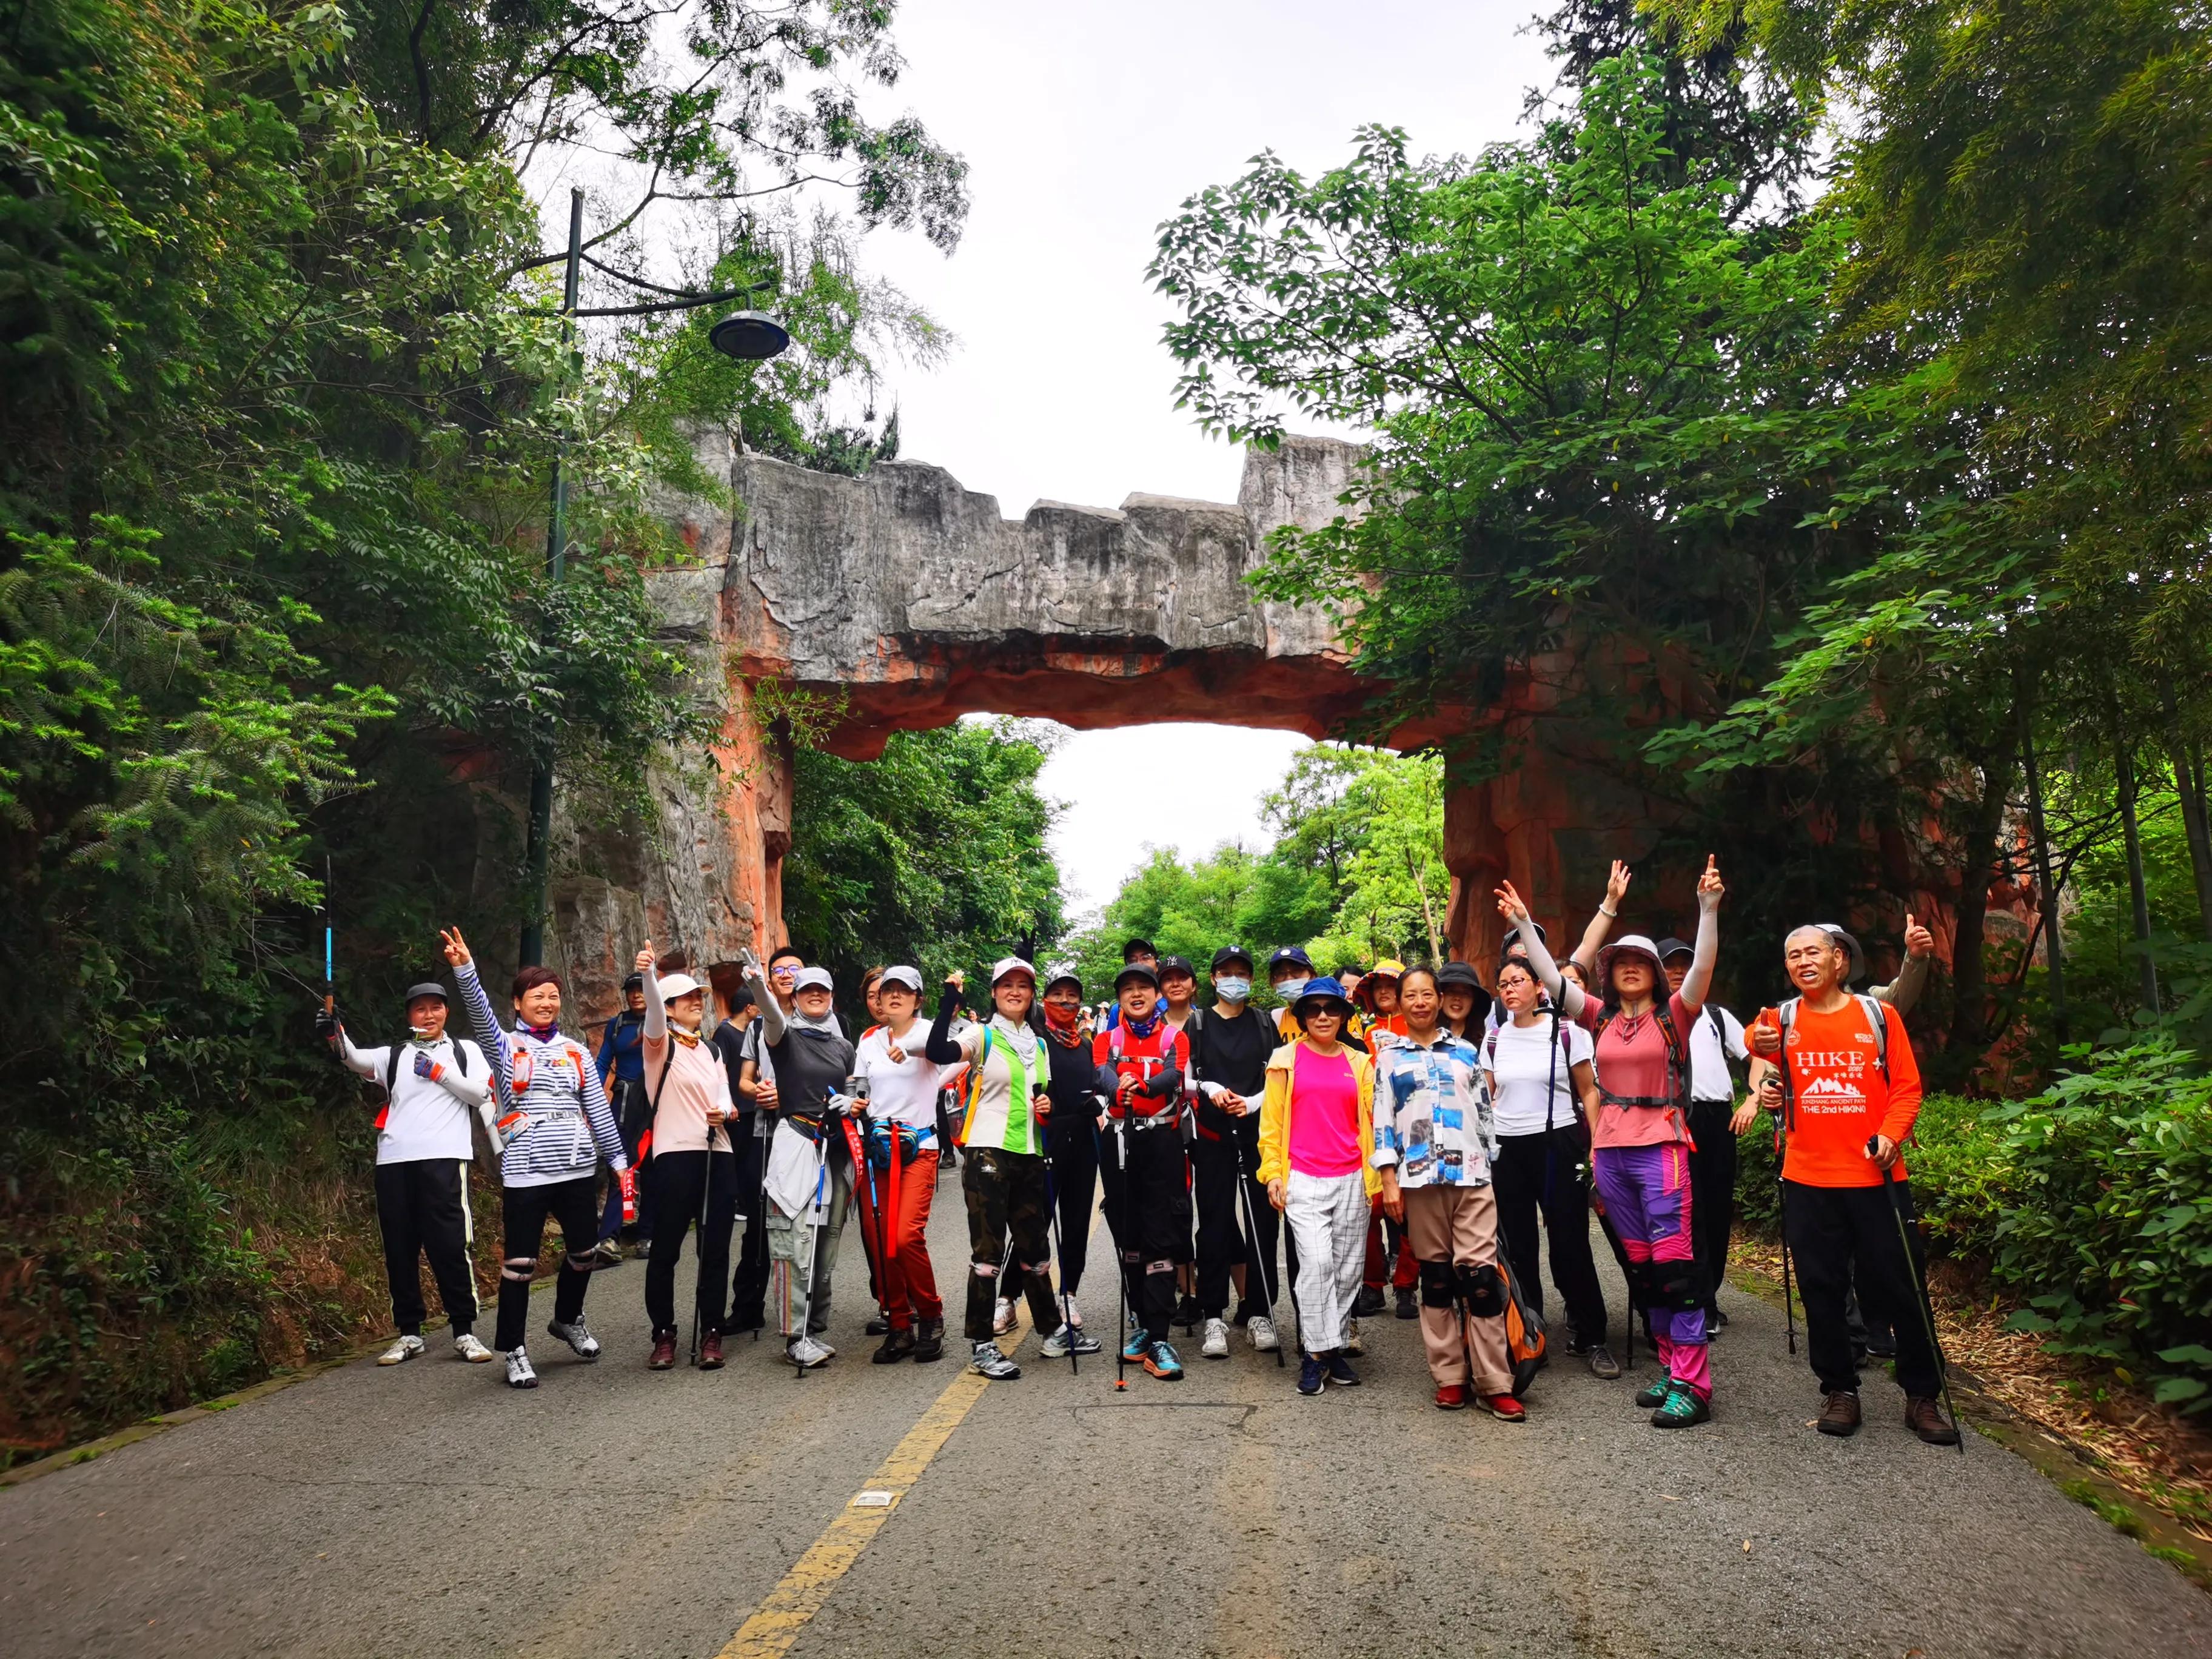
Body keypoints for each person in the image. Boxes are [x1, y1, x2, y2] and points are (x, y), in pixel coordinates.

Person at [1497, 855, 1726, 1429]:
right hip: (1612, 1150)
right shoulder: (1597, 1019)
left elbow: (1701, 968)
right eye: (1620, 961)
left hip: (1664, 1146)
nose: (1629, 968)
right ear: (1609, 972)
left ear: (1653, 971)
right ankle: (1671, 1366)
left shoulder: (1676, 1015)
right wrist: (1526, 925)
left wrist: (1707, 908)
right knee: (1644, 1266)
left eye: (1638, 961)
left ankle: (1694, 1383)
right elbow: (1553, 981)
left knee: (1676, 1265)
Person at [1749, 926, 1960, 1446]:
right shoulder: (1780, 1019)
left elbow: (1907, 1089)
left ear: (1839, 960)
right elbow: (1761, 1056)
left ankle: (1922, 1395)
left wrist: (1892, 1135)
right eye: (1792, 954)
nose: (1803, 961)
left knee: (1901, 1286)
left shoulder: (1878, 1016)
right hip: (1807, 1178)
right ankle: (1840, 1390)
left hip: (1876, 1176)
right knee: (1820, 1289)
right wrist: (1768, 1089)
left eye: (1812, 952)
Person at [441, 927, 634, 1390]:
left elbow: (598, 1109)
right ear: (518, 1003)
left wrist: (619, 1162)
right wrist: (464, 969)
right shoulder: (507, 1046)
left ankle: (567, 1319)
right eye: (536, 996)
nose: (546, 1003)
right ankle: (516, 1350)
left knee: (585, 1252)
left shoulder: (575, 1052)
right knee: (521, 1264)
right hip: (527, 1171)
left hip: (576, 1168)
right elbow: (482, 1017)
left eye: (552, 996)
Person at [1373, 967, 1524, 1418]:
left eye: (1427, 994)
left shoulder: (1465, 1051)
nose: (1419, 1002)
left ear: (1438, 999)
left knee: (1480, 1281)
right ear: (1399, 1003)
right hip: (1418, 1180)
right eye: (1410, 995)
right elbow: (1382, 1120)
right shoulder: (1388, 1058)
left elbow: (1484, 1112)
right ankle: (1450, 1377)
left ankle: (1495, 1381)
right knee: (1436, 1281)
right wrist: (1388, 1178)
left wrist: (1491, 1164)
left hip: (1472, 1177)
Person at [320, 981, 495, 1367]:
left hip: (446, 1158)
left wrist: (439, 1072)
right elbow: (356, 1060)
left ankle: (464, 1330)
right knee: (399, 1249)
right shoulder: (395, 1055)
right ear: (409, 1015)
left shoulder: (466, 1051)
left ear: (446, 1012)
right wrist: (336, 1032)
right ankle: (409, 1333)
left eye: (436, 1007)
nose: (428, 1015)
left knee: (450, 1245)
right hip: (394, 1160)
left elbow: (482, 1094)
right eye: (420, 1009)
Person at [925, 959, 1068, 1379]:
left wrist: (1048, 1105)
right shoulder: (980, 1034)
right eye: (1007, 984)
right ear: (993, 991)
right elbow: (938, 1053)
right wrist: (948, 1002)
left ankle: (1052, 1331)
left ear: (1031, 994)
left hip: (1029, 1153)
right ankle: (982, 1343)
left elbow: (1045, 1096)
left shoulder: (1039, 1044)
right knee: (988, 1253)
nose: (1015, 991)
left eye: (1023, 985)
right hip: (988, 1151)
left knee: (1034, 1248)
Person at [1481, 959, 1617, 1377]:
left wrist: (1596, 1146)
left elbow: (1589, 1093)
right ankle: (1529, 1333)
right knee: (1519, 1247)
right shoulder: (1493, 1039)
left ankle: (1592, 1335)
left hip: (1558, 1142)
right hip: (1508, 1147)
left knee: (1570, 1241)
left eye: (1518, 981)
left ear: (1540, 986)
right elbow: (1487, 1099)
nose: (1510, 990)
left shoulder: (1567, 1033)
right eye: (1502, 984)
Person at [1259, 976, 1377, 1395]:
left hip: (1352, 1177)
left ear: (1344, 1015)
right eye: (1314, 1009)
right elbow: (1270, 1124)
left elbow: (1374, 1121)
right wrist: (1272, 1172)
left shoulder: (1360, 1062)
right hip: (1303, 1177)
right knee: (1316, 1266)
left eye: (1331, 1009)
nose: (1323, 1016)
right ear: (1303, 1016)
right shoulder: (1284, 1060)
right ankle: (1315, 1354)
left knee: (1348, 1272)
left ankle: (1330, 1349)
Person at [632, 944, 739, 1370]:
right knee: (666, 1250)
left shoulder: (712, 1050)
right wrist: (648, 978)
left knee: (714, 1249)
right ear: (670, 1008)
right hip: (675, 1156)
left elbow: (728, 1101)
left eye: (699, 996)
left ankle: (711, 1331)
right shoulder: (659, 1048)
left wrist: (724, 1112)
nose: (697, 1001)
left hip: (719, 1153)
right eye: (686, 998)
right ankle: (664, 1334)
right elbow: (654, 1016)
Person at [1093, 960, 1195, 1381]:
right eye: (1127, 989)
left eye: (1144, 988)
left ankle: (1160, 1334)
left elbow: (1174, 1074)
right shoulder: (1105, 1038)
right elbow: (1101, 1073)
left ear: (1157, 995)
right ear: (1120, 999)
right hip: (1120, 1141)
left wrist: (1141, 1085)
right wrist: (1119, 1087)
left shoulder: (1176, 1035)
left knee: (1162, 1237)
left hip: (1162, 1143)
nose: (1136, 994)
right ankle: (1141, 1324)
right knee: (1129, 1236)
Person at [754, 962, 857, 1369]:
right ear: (795, 996)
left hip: (834, 1148)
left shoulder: (843, 1046)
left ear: (832, 996)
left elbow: (855, 1088)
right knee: (794, 1240)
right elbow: (770, 1016)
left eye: (823, 991)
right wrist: (758, 987)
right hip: (797, 1143)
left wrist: (851, 1104)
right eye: (807, 990)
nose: (816, 995)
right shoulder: (785, 1037)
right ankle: (793, 1335)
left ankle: (814, 1328)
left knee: (827, 1242)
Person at [851, 965, 954, 1364]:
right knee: (879, 1242)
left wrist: (927, 1067)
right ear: (878, 999)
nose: (894, 996)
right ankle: (899, 1325)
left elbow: (949, 1053)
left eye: (904, 991)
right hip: (878, 1150)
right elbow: (858, 1083)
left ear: (917, 999)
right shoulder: (869, 1042)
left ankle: (930, 1315)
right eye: (888, 991)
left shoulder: (930, 1033)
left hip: (919, 1149)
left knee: (904, 1237)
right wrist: (856, 1100)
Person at [1187, 945, 1285, 1359]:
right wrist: (1209, 1089)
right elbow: (1184, 1077)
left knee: (1264, 1222)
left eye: (1241, 972)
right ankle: (1213, 1315)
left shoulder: (1264, 1024)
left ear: (1251, 979)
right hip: (1211, 1139)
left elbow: (1282, 1077)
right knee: (1214, 1224)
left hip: (1258, 1137)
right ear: (1212, 979)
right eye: (1225, 972)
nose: (1234, 979)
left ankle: (1259, 1310)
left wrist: (1255, 1100)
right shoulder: (1197, 1023)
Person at [1655, 936, 1749, 1335]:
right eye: (1670, 965)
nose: (1678, 972)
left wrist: (1755, 1099)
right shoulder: (1650, 1017)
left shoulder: (1716, 1015)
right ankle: (1699, 1301)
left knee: (1715, 1208)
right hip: (1671, 1119)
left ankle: (1709, 1292)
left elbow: (1754, 1055)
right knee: (1684, 1212)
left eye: (1684, 965)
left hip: (1718, 1118)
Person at [727, 945, 803, 1335]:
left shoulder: (823, 1020)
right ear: (769, 979)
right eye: (780, 969)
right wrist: (757, 1091)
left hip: (805, 1134)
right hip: (763, 1132)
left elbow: (835, 1077)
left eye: (795, 968)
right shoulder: (757, 1027)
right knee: (757, 1221)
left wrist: (787, 1096)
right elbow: (744, 1078)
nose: (787, 974)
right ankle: (747, 1308)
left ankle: (804, 1311)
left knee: (802, 1221)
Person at [1034, 965, 1107, 1357]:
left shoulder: (1086, 1045)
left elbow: (1096, 1085)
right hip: (1045, 1140)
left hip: (1083, 1140)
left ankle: (1069, 1294)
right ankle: (1012, 1297)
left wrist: (1100, 1102)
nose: (1065, 1001)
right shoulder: (1036, 1040)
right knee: (1036, 1222)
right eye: (1058, 995)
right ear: (1045, 1001)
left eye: (1072, 996)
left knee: (1077, 1223)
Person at [591, 973, 651, 1264]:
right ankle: (609, 1239)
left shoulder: (663, 1022)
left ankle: (648, 1234)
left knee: (651, 1167)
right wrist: (591, 1096)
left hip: (655, 1104)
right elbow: (603, 1063)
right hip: (624, 1104)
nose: (637, 995)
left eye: (642, 989)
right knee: (619, 1167)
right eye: (631, 990)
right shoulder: (617, 1026)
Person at [1435, 960, 1493, 1039]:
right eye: (1451, 991)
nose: (1457, 998)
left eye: (1465, 993)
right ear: (1440, 997)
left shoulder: (1485, 1044)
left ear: (1474, 1001)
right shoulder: (1422, 1038)